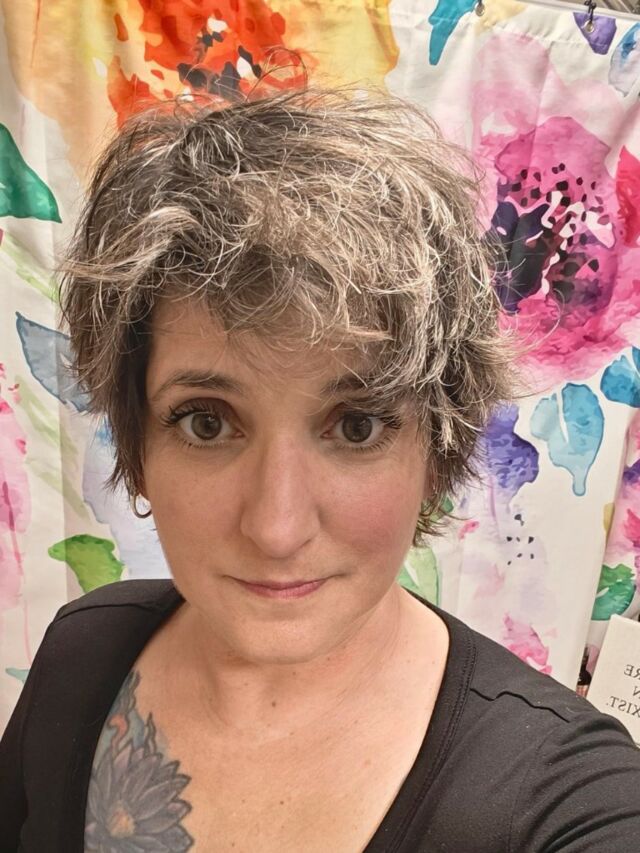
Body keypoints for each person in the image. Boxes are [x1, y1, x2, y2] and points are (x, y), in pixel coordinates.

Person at [1, 85, 639, 853]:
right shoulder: (82, 651)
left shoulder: (564, 799)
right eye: (207, 421)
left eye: (357, 425)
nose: (276, 528)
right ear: (139, 442)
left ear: (437, 449)